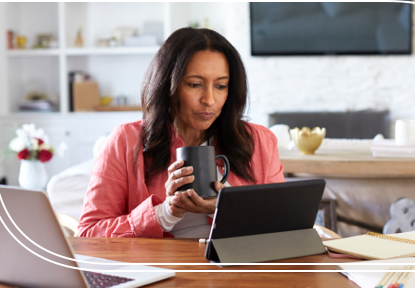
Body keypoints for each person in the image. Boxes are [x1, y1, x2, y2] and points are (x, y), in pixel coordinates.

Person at [77, 27, 285, 238]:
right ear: (168, 86)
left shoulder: (259, 141)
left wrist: (229, 210)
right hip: (159, 269)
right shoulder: (126, 141)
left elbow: (285, 226)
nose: (209, 100)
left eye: (221, 86)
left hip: (233, 268)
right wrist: (164, 213)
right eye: (195, 84)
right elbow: (88, 235)